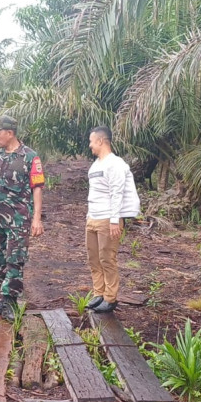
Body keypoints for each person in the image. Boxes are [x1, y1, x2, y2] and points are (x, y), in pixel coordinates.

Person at [0, 116, 44, 320]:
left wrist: (37, 219)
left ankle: (11, 301)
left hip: (18, 218)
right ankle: (4, 299)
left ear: (10, 133)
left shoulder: (30, 157)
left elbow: (37, 188)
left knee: (15, 259)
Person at [82, 126, 139, 313]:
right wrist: (89, 215)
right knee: (94, 258)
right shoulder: (96, 164)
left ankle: (110, 298)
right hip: (93, 218)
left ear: (100, 141)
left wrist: (115, 220)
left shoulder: (115, 163)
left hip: (108, 219)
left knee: (107, 258)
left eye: (91, 141)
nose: (90, 145)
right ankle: (99, 293)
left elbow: (117, 193)